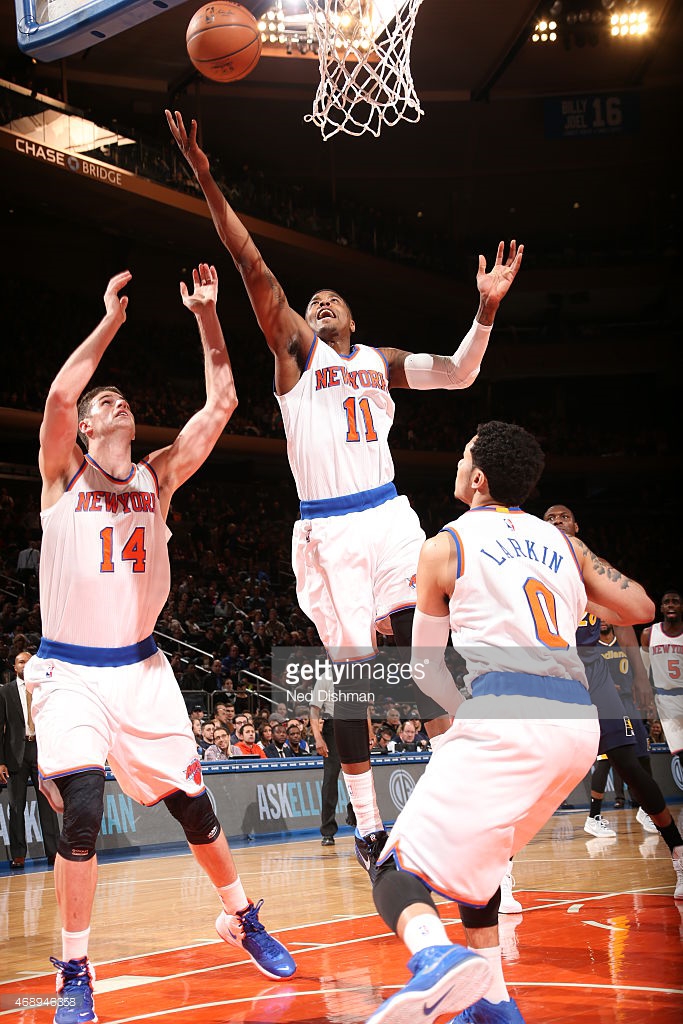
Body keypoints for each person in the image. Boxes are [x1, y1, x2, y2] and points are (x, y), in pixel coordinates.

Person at [166, 108, 524, 881]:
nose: (320, 305)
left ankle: (467, 797)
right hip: (329, 533)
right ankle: (368, 827)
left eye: (333, 301)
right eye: (313, 301)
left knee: (432, 654)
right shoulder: (296, 356)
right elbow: (255, 265)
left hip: (390, 515)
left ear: (355, 319)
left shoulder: (381, 360)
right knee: (353, 681)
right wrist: (203, 176)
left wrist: (485, 309)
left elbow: (459, 371)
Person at [24, 265, 295, 1024]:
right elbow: (56, 397)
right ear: (85, 427)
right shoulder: (61, 476)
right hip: (70, 672)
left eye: (122, 398)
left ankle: (240, 916)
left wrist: (208, 316)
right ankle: (75, 969)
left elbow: (225, 403)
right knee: (81, 807)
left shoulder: (160, 476)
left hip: (142, 670)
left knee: (194, 811)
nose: (117, 402)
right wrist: (110, 320)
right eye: (103, 400)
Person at [365, 421, 654, 1024]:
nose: (457, 460)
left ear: (477, 479)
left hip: (506, 713)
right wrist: (575, 589)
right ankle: (493, 1002)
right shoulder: (563, 543)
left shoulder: (446, 543)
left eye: (463, 454)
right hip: (577, 725)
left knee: (393, 869)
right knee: (482, 864)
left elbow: (424, 670)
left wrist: (467, 719)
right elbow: (641, 607)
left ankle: (434, 958)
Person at [543, 506, 683, 894]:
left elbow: (626, 621)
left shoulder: (595, 567)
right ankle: (500, 872)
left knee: (631, 764)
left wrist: (640, 676)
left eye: (563, 517)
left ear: (577, 527)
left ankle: (677, 851)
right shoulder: (533, 565)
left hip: (593, 672)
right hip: (550, 673)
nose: (556, 522)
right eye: (549, 518)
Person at [0, 651, 59, 869]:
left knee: (48, 804)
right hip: (16, 754)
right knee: (16, 806)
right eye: (21, 662)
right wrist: (1, 761)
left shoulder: (43, 689)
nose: (25, 665)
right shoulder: (5, 692)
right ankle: (18, 854)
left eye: (29, 661)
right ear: (14, 667)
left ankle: (54, 852)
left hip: (41, 751)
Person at [596, 621, 653, 821]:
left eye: (606, 616)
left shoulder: (624, 642)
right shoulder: (591, 645)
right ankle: (595, 815)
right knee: (609, 759)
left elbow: (639, 671)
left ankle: (646, 808)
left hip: (631, 703)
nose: (602, 620)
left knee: (643, 756)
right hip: (608, 706)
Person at [641, 590, 683, 757]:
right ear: (661, 609)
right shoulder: (649, 634)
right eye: (667, 602)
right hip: (665, 699)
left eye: (675, 601)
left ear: (681, 607)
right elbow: (643, 671)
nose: (671, 605)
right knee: (680, 753)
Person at [310, 678, 342, 846]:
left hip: (355, 725)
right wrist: (318, 738)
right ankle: (328, 831)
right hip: (333, 727)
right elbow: (314, 710)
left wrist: (370, 732)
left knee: (362, 779)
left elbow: (364, 708)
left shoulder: (356, 675)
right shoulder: (325, 679)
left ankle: (364, 826)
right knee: (330, 780)